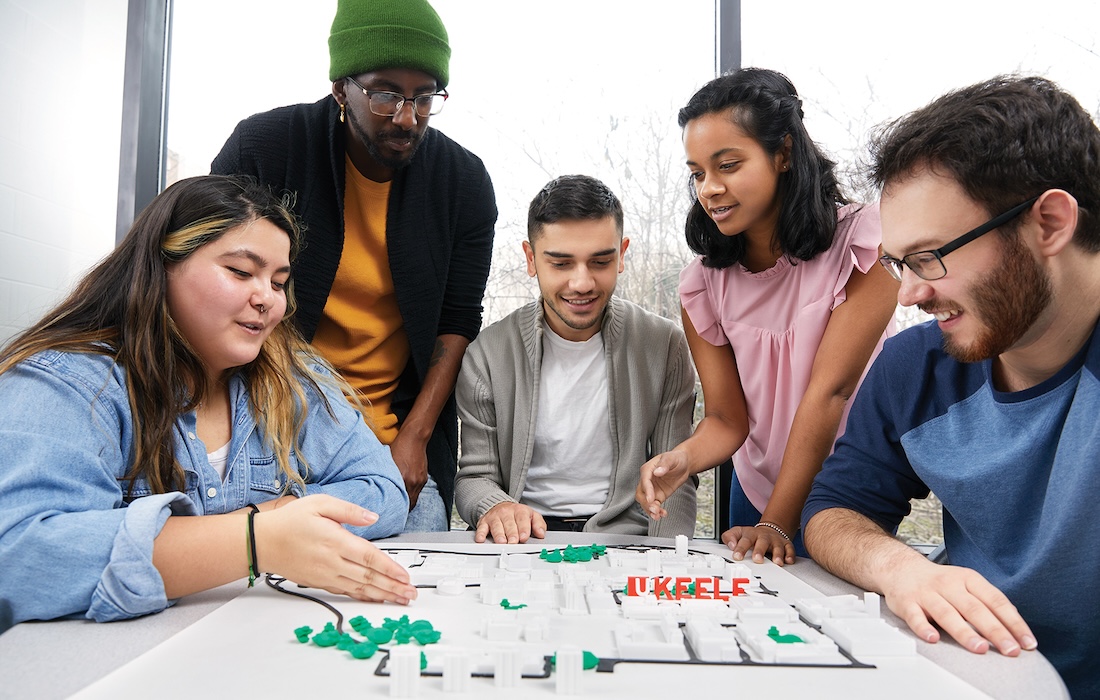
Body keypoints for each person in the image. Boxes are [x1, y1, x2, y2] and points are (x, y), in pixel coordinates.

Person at [0, 175, 417, 624]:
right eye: (240, 272)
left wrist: (272, 518)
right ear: (161, 266)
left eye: (279, 282)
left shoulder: (291, 377)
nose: (267, 300)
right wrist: (256, 539)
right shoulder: (68, 381)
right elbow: (21, 557)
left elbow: (383, 489)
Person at [802, 75, 1100, 699]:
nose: (910, 294)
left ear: (1049, 222)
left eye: (931, 256)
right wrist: (898, 568)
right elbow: (832, 511)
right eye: (899, 263)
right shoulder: (916, 367)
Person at [211, 0, 497, 532]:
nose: (407, 117)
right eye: (385, 94)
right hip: (265, 438)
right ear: (342, 88)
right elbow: (207, 280)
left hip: (389, 449)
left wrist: (413, 440)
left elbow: (458, 320)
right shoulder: (265, 149)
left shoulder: (462, 182)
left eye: (425, 96)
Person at [636, 68, 899, 564]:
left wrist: (778, 521)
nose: (709, 188)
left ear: (782, 153)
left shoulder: (862, 243)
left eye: (728, 165)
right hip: (755, 492)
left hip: (845, 489)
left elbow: (832, 392)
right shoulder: (703, 282)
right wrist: (682, 460)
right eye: (697, 173)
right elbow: (726, 419)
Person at [455, 175, 697, 543]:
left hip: (624, 540)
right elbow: (475, 478)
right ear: (531, 259)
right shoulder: (487, 354)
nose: (582, 283)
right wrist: (495, 506)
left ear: (622, 255)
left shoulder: (664, 345)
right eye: (561, 264)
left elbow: (673, 478)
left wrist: (665, 565)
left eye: (600, 261)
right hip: (522, 540)